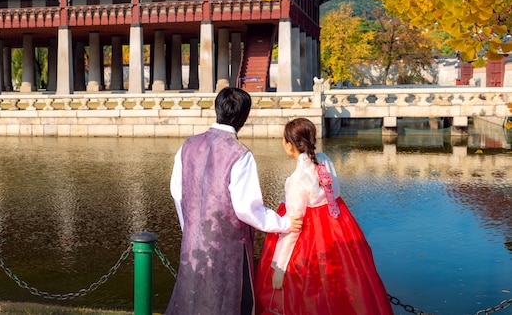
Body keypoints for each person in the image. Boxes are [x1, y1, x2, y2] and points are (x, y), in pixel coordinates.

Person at [165, 87, 303, 315]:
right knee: (228, 303)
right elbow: (247, 208)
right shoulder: (239, 154)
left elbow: (177, 194)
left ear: (217, 109)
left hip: (193, 241)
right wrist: (283, 223)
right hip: (228, 246)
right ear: (244, 116)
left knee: (190, 300)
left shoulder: (186, 146)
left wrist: (189, 228)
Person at [254, 117, 394, 315]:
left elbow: (293, 226)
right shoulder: (325, 161)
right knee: (347, 281)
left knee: (311, 287)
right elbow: (333, 193)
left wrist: (279, 266)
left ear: (290, 145)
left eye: (284, 141)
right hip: (338, 226)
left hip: (310, 238)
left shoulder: (297, 179)